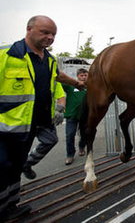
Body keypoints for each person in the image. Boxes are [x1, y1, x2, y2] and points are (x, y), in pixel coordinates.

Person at [0, 15, 84, 220]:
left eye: (53, 34)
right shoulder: (7, 54)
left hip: (29, 126)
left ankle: (10, 206)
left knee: (16, 167)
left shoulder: (49, 60)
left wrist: (76, 84)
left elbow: (58, 76)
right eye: (45, 32)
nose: (49, 37)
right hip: (5, 127)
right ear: (29, 29)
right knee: (2, 167)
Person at [22, 83, 66, 179]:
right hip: (25, 119)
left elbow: (61, 96)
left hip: (44, 119)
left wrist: (60, 109)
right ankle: (13, 183)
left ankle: (27, 163)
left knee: (51, 140)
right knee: (18, 149)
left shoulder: (52, 78)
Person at [62, 68, 88, 165]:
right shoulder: (71, 86)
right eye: (82, 75)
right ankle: (70, 155)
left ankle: (82, 147)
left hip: (84, 116)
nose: (84, 77)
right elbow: (60, 83)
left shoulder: (89, 86)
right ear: (77, 76)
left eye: (85, 75)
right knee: (70, 135)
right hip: (71, 115)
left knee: (85, 134)